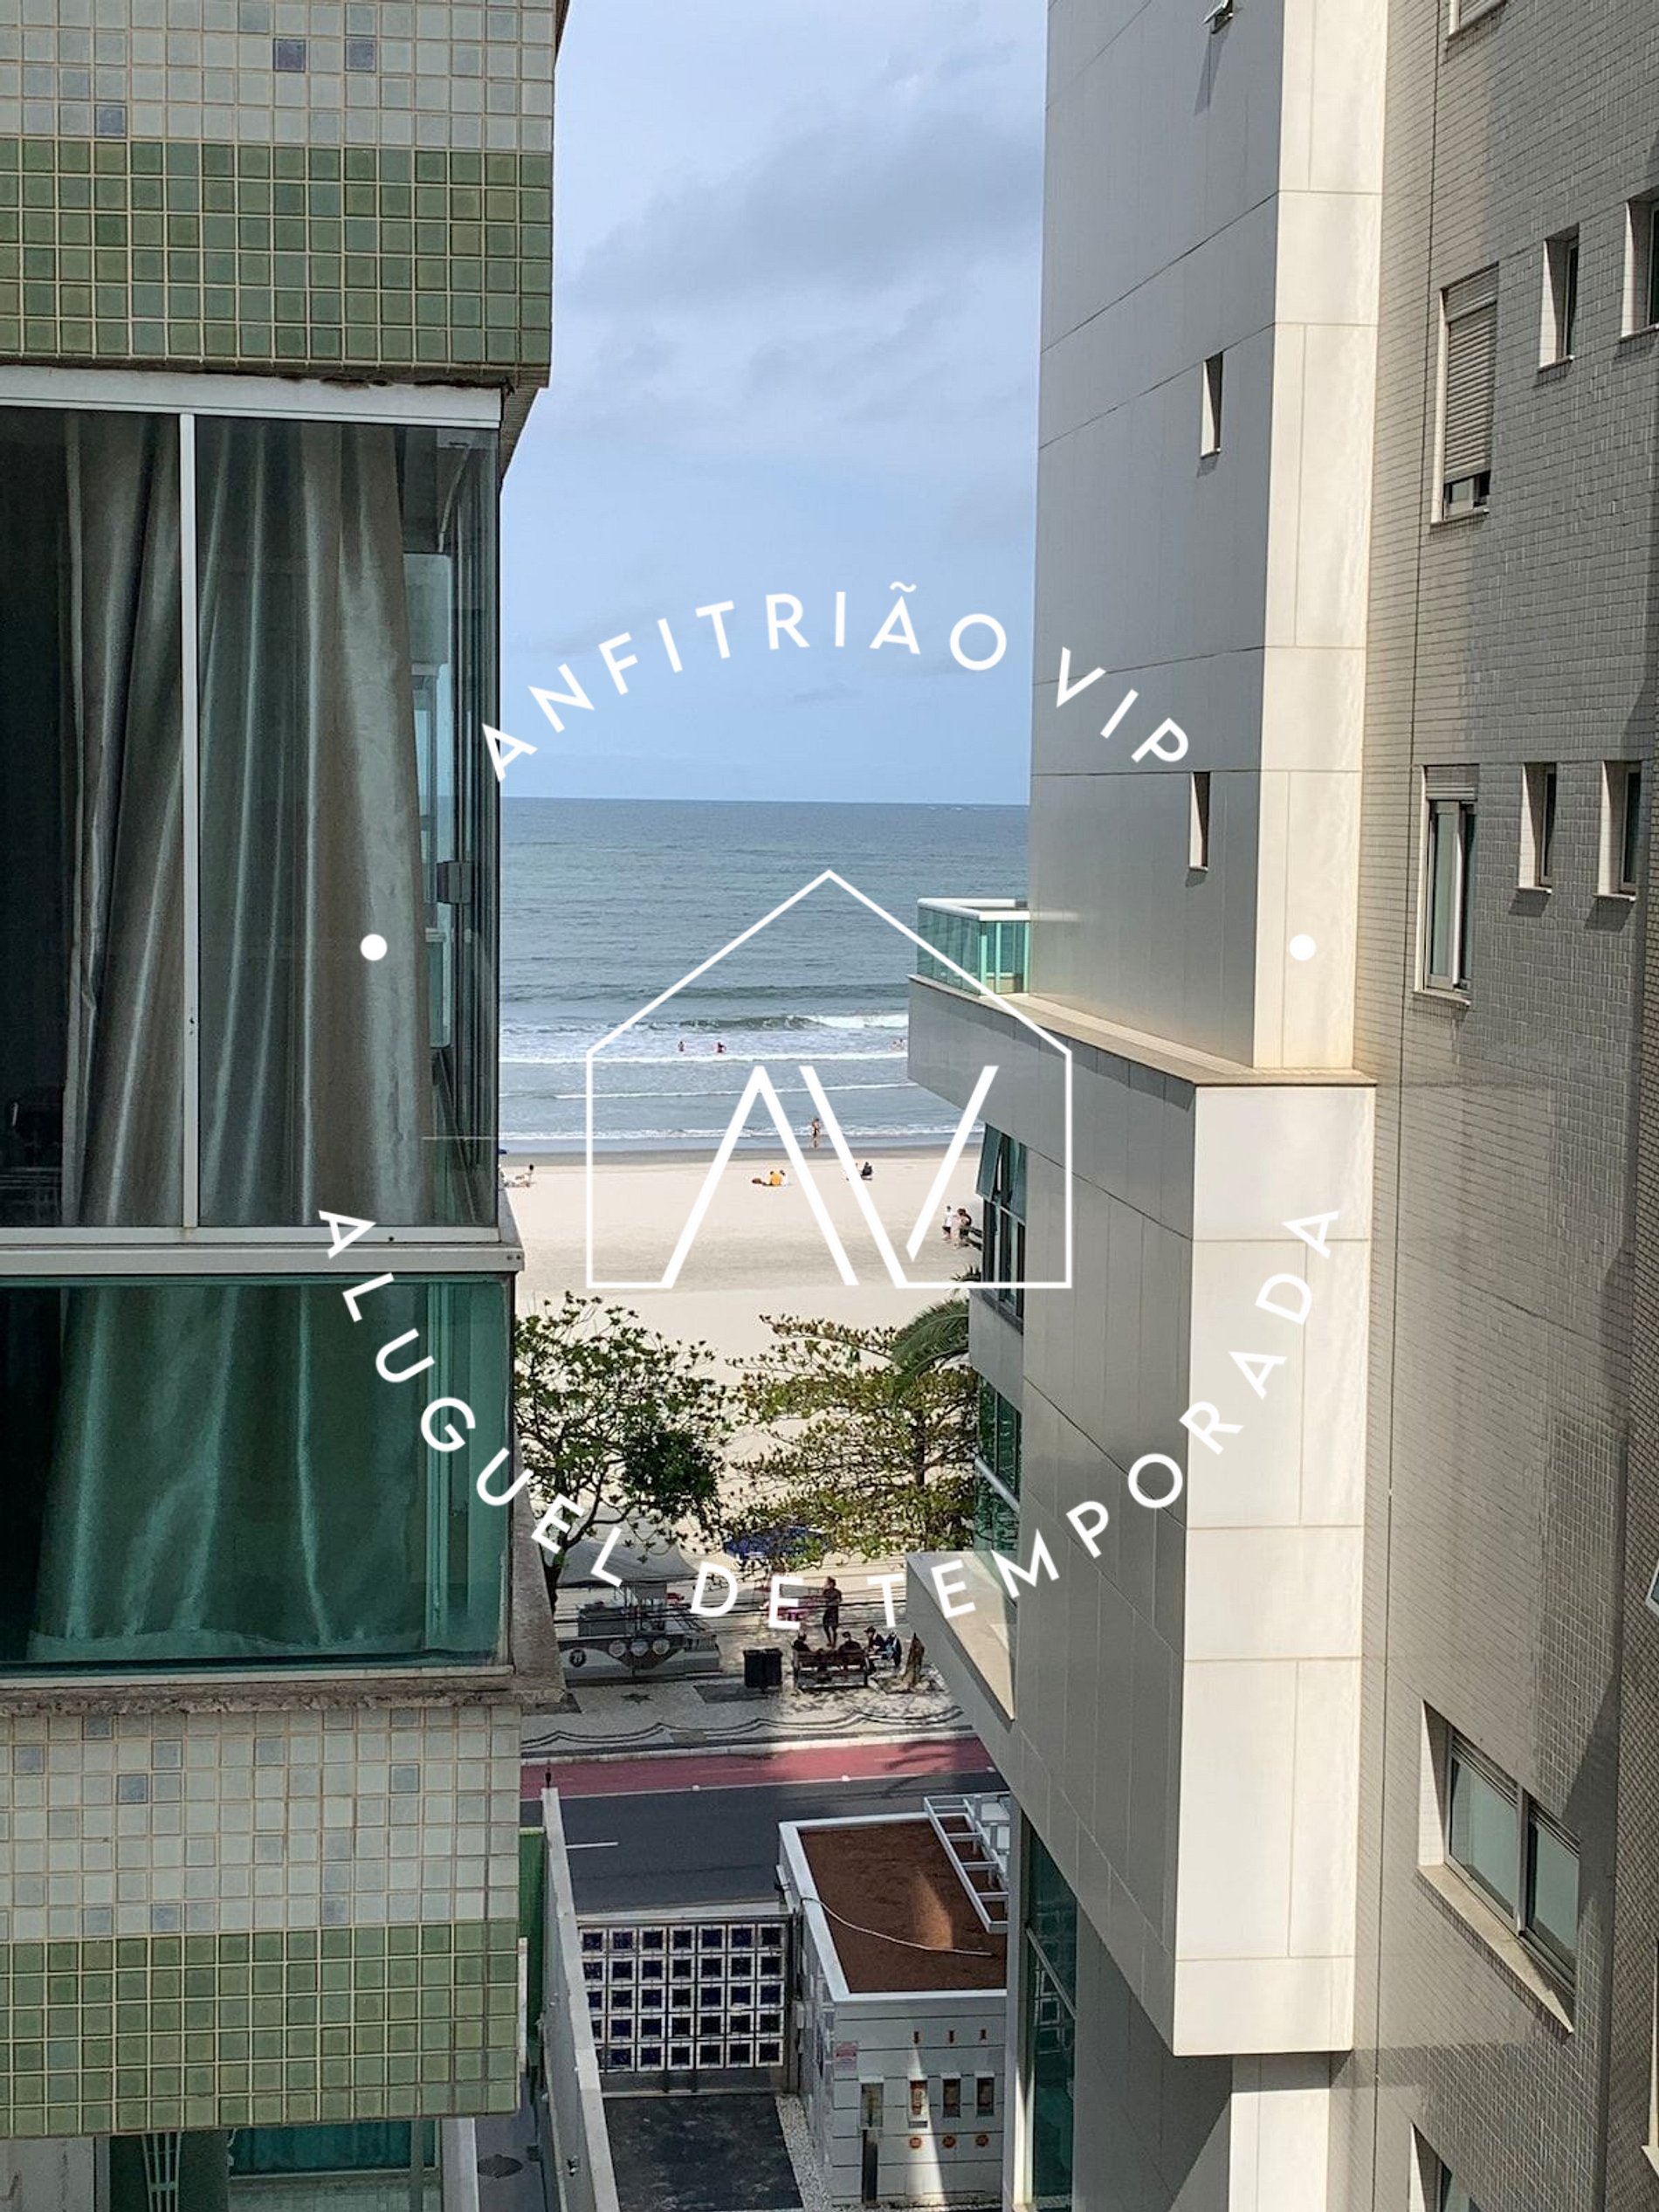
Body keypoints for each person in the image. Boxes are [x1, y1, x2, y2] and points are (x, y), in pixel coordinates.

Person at [821, 1575, 842, 1644]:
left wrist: (830, 1602)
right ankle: (829, 1641)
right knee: (825, 1626)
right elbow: (822, 1598)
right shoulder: (826, 1591)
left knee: (834, 1628)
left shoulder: (837, 1592)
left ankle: (834, 1642)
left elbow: (838, 1601)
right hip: (828, 1610)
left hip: (834, 1611)